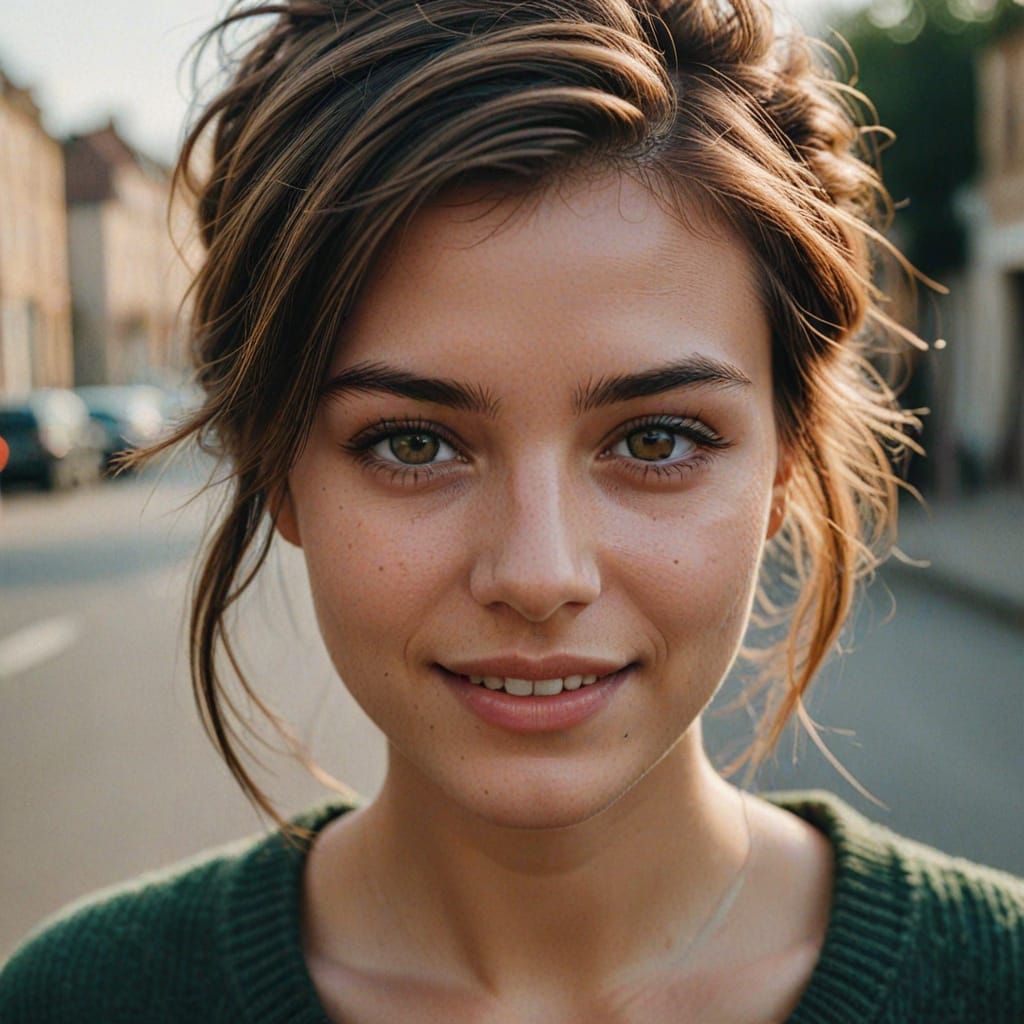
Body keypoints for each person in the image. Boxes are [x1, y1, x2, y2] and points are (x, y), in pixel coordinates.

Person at [2, 1, 1021, 1021]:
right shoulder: (79, 999)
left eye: (656, 439)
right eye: (413, 443)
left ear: (785, 461)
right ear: (277, 465)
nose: (539, 575)